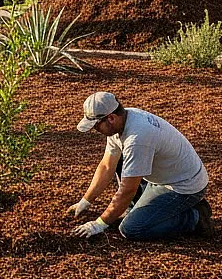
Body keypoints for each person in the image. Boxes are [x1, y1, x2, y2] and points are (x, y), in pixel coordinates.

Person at [67, 91, 212, 241]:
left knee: (132, 229)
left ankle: (194, 217)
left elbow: (128, 190)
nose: (95, 130)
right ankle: (132, 210)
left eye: (96, 126)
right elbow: (107, 166)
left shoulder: (137, 138)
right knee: (121, 159)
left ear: (111, 118)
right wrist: (86, 201)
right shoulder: (122, 122)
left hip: (182, 187)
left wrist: (99, 224)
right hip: (162, 174)